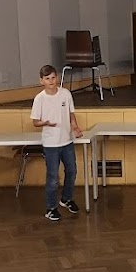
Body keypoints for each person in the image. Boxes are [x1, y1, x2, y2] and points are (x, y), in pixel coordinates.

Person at [30, 65, 84, 222]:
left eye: (53, 77)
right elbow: (35, 122)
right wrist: (45, 123)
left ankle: (66, 199)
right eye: (47, 79)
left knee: (72, 171)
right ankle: (50, 208)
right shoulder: (39, 99)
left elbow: (71, 114)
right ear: (42, 81)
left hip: (66, 140)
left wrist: (75, 127)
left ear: (57, 78)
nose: (51, 81)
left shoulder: (65, 94)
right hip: (51, 143)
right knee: (53, 177)